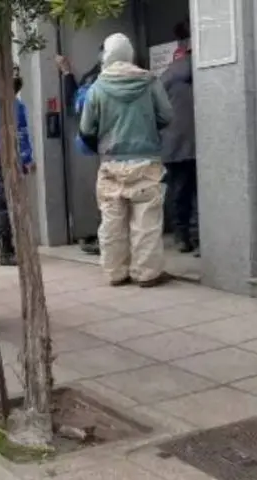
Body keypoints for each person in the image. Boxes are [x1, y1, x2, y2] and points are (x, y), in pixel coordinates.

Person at [79, 33, 173, 288]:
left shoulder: (97, 88)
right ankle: (146, 274)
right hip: (146, 161)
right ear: (130, 54)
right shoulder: (150, 82)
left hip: (111, 162)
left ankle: (115, 273)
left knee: (112, 219)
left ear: (106, 56)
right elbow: (166, 116)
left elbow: (86, 129)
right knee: (146, 221)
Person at [0, 66, 34, 267]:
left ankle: (0, 241)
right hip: (4, 154)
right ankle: (5, 250)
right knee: (3, 202)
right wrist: (27, 159)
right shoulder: (13, 104)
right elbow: (22, 133)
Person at [57, 49, 105, 256]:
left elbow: (75, 102)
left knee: (109, 195)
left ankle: (107, 238)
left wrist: (67, 73)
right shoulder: (102, 79)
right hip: (113, 145)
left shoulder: (95, 78)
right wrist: (67, 73)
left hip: (101, 144)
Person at [161, 21, 198, 254]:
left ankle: (183, 235)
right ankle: (195, 234)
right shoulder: (202, 68)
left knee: (180, 191)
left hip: (175, 145)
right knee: (200, 192)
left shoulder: (168, 74)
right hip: (199, 143)